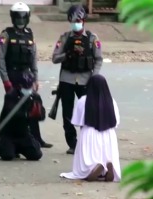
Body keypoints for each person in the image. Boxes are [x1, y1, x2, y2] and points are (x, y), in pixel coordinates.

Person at [0, 1, 52, 148]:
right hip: (12, 75)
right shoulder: (6, 35)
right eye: (17, 17)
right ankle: (5, 137)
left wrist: (35, 78)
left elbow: (34, 58)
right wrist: (5, 80)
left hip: (27, 76)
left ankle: (36, 139)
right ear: (12, 17)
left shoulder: (30, 35)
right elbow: (1, 59)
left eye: (23, 17)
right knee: (11, 107)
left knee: (32, 106)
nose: (20, 20)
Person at [52, 4, 103, 154]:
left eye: (78, 20)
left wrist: (94, 77)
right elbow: (54, 58)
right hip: (67, 79)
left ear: (84, 20)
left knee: (87, 113)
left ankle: (87, 142)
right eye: (73, 20)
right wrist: (67, 54)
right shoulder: (65, 38)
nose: (76, 23)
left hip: (86, 80)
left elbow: (98, 59)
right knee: (67, 114)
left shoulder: (92, 39)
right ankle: (72, 144)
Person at [60, 74, 121, 182]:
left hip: (89, 132)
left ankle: (92, 169)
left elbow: (77, 121)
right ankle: (106, 169)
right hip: (108, 134)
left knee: (86, 159)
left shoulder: (83, 101)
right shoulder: (112, 101)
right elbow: (116, 122)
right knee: (107, 153)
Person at [0, 72, 45, 161]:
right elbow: (12, 113)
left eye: (29, 86)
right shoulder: (10, 96)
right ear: (19, 85)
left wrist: (39, 114)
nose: (28, 89)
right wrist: (28, 114)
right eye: (25, 86)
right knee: (7, 156)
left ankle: (20, 147)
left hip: (23, 133)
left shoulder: (35, 96)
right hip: (8, 132)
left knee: (36, 155)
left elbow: (41, 116)